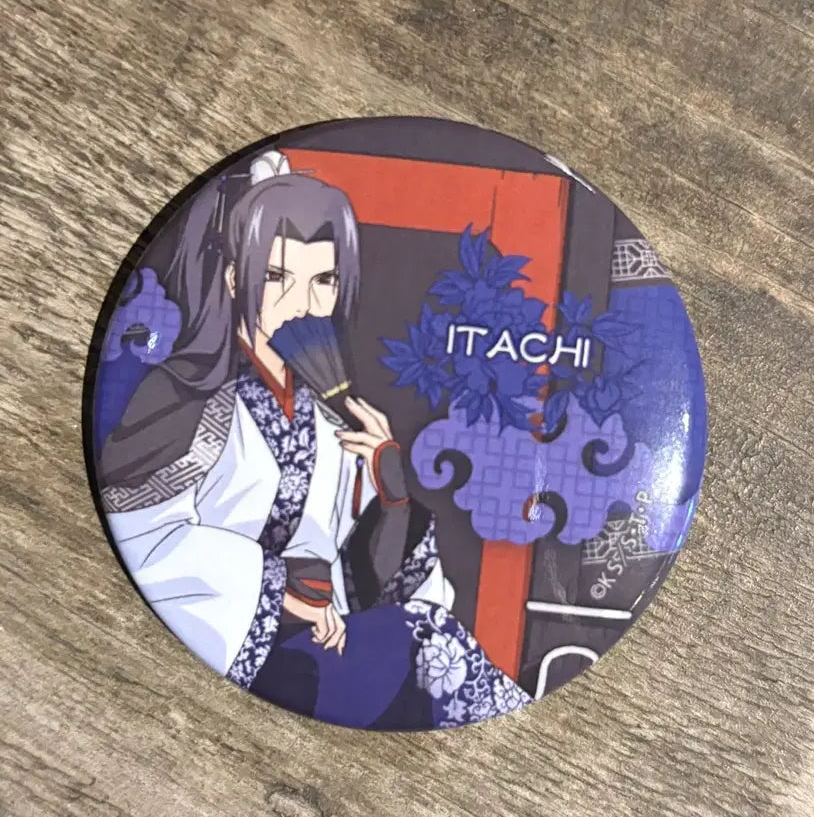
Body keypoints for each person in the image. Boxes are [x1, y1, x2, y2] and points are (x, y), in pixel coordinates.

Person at [98, 150, 531, 729]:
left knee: (427, 640)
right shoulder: (183, 398)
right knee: (424, 643)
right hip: (224, 650)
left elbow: (362, 583)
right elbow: (142, 539)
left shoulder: (330, 422)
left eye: (323, 281)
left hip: (324, 648)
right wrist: (279, 588)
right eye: (277, 277)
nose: (303, 303)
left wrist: (392, 497)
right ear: (235, 279)